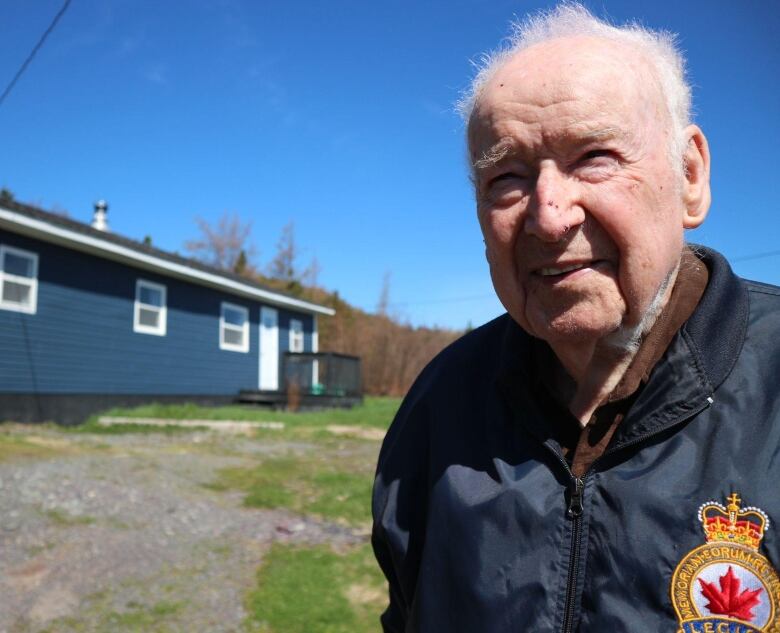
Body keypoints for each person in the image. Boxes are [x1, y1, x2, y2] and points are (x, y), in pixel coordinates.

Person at [371, 4, 780, 632]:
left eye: (594, 157)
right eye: (506, 177)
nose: (549, 216)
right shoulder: (439, 406)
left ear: (690, 177)